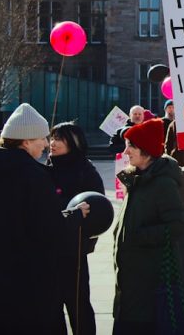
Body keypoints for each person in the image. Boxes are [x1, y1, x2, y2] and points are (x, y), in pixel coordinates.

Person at [0, 103, 89, 334]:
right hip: (27, 287)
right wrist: (75, 215)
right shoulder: (32, 176)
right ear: (26, 141)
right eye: (42, 138)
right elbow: (49, 229)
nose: (46, 144)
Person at [113, 118, 184, 335]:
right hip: (130, 278)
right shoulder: (136, 178)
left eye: (131, 146)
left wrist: (138, 236)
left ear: (146, 151)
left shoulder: (163, 183)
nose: (126, 152)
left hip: (149, 280)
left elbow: (176, 226)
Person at [47, 122, 105, 335]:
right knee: (51, 307)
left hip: (74, 251)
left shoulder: (85, 171)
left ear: (74, 142)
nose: (53, 143)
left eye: (59, 139)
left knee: (78, 305)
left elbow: (99, 210)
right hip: (48, 250)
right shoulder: (46, 168)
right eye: (52, 138)